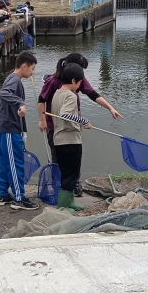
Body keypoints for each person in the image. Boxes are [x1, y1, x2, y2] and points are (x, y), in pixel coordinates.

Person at [37, 53, 123, 196]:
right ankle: (61, 188)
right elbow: (42, 100)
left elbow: (93, 94)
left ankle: (74, 185)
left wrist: (110, 108)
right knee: (58, 157)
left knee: (74, 157)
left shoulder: (77, 79)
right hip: (56, 126)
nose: (82, 76)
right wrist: (42, 120)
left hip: (73, 125)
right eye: (81, 69)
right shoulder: (53, 81)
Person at [0, 51, 39, 210]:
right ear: (24, 66)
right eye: (32, 68)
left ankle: (3, 194)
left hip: (3, 127)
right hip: (9, 129)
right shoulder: (15, 80)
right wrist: (20, 102)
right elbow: (3, 93)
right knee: (16, 164)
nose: (33, 72)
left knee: (5, 163)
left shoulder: (11, 78)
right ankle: (19, 199)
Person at [51, 62, 92, 212]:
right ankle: (62, 206)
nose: (80, 86)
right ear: (74, 81)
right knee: (71, 174)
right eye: (80, 82)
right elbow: (65, 114)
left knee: (68, 173)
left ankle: (70, 202)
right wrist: (84, 121)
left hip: (59, 140)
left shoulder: (57, 93)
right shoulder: (71, 96)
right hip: (69, 141)